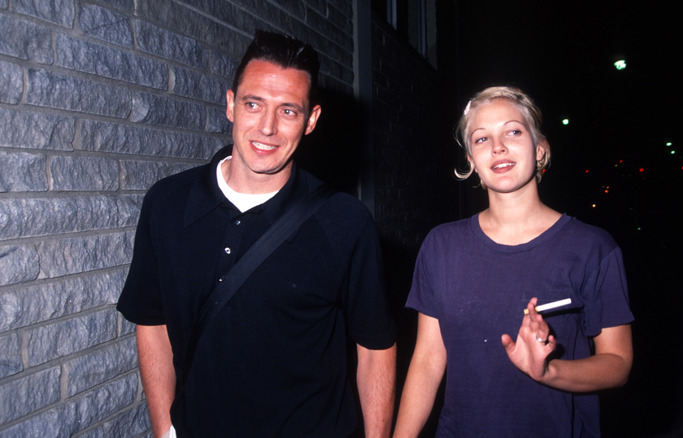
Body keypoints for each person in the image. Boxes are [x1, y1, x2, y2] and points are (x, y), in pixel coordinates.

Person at [117, 30, 397, 438]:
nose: (267, 128)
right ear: (231, 105)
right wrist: (165, 430)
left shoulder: (345, 222)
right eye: (253, 104)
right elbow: (152, 322)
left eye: (288, 111)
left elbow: (376, 349)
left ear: (311, 120)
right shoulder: (167, 203)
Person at [394, 86, 633, 437]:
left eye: (513, 131)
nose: (498, 147)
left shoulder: (592, 248)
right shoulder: (441, 246)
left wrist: (548, 371)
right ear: (471, 162)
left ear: (540, 149)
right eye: (481, 138)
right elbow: (428, 360)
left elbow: (618, 364)